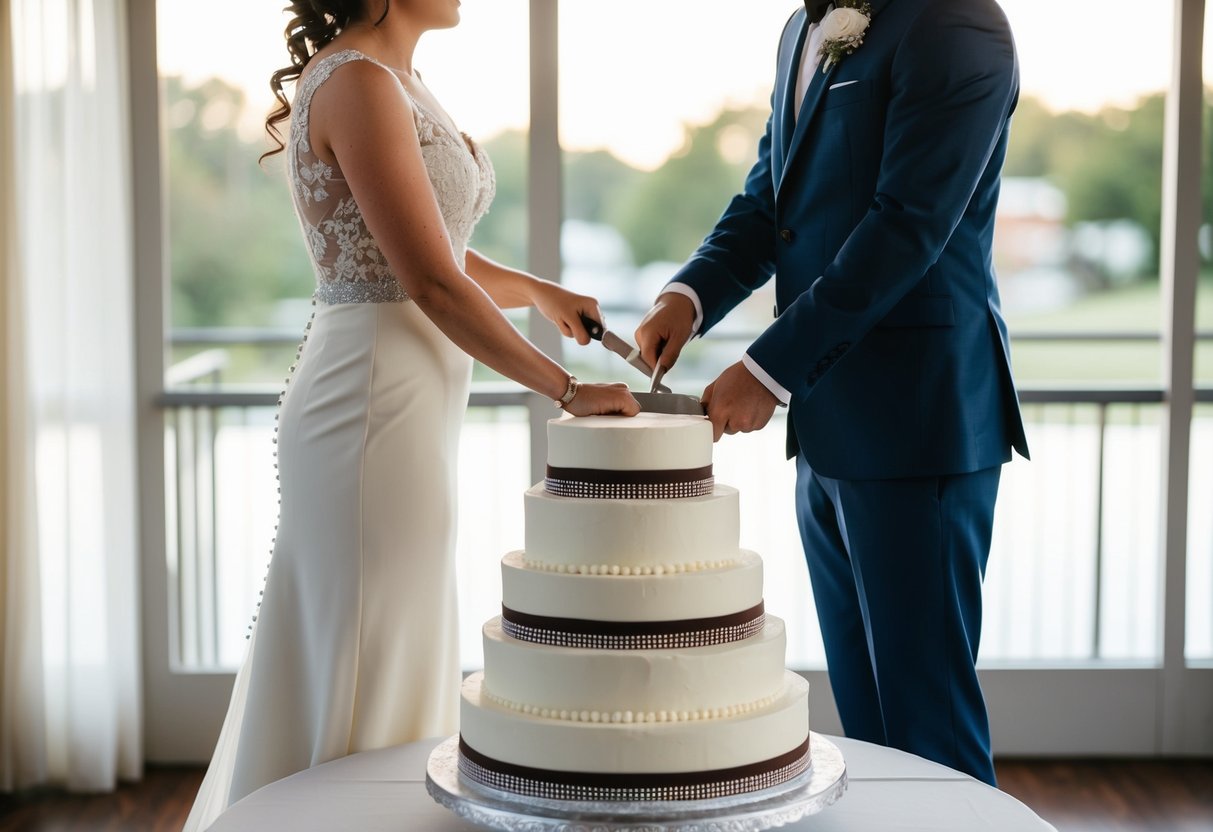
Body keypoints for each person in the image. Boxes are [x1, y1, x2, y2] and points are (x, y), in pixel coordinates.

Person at [183, 0, 639, 827]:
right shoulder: (357, 82)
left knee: (396, 641)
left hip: (410, 407)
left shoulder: (403, 81)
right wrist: (564, 390)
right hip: (368, 408)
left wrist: (537, 290)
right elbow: (427, 283)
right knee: (370, 652)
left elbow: (432, 249)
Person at [635, 0, 1029, 785]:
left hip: (917, 422)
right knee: (870, 731)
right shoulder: (797, 31)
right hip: (827, 429)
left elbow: (906, 225)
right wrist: (688, 295)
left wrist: (765, 369)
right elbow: (769, 202)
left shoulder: (958, 23)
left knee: (929, 726)